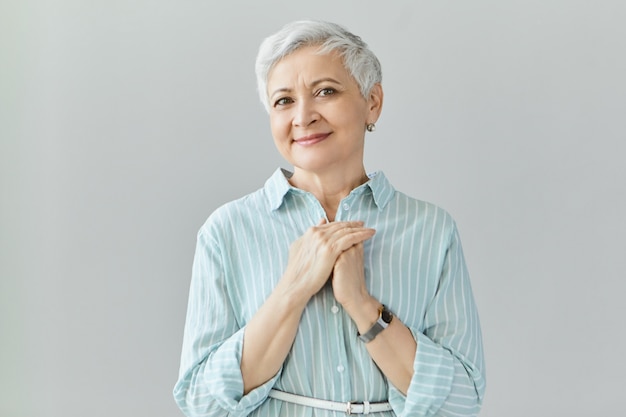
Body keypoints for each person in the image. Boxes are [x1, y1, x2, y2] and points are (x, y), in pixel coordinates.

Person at [173, 20, 486, 417]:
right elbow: (201, 401)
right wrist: (293, 288)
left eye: (325, 92)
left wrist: (362, 305)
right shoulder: (226, 232)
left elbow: (462, 400)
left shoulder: (431, 230)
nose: (303, 116)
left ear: (372, 102)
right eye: (283, 101)